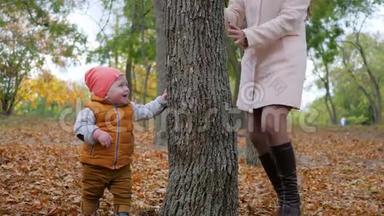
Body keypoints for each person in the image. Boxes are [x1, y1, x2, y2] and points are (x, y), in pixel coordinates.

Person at [225, 0, 310, 215]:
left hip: (285, 56)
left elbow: (290, 19)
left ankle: (291, 199)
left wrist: (248, 35)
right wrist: (224, 16)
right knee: (255, 133)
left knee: (272, 120)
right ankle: (282, 193)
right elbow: (236, 9)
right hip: (254, 58)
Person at [73, 66, 167, 216]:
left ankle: (122, 213)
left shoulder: (129, 108)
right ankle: (88, 211)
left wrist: (161, 101)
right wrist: (97, 133)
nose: (126, 89)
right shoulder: (91, 109)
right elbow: (80, 127)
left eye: (126, 85)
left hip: (122, 167)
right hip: (95, 166)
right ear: (104, 91)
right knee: (91, 194)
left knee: (124, 195)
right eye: (120, 85)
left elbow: (146, 111)